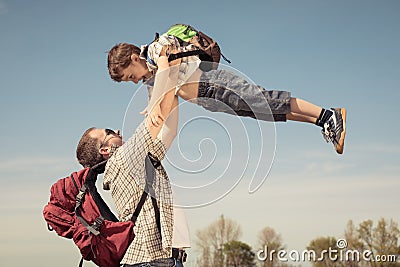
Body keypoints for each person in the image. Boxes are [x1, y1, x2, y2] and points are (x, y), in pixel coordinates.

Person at [107, 34, 347, 154]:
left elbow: (166, 69)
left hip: (214, 83)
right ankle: (322, 122)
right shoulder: (152, 80)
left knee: (266, 100)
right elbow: (163, 113)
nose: (134, 81)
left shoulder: (158, 47)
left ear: (134, 58)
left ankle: (329, 114)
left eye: (130, 76)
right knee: (266, 112)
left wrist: (154, 105)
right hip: (211, 101)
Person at [76, 88, 189, 267]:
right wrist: (165, 72)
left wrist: (172, 86)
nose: (117, 130)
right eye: (109, 131)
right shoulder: (122, 158)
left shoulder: (133, 163)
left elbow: (169, 129)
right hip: (151, 261)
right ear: (104, 150)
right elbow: (157, 118)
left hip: (156, 260)